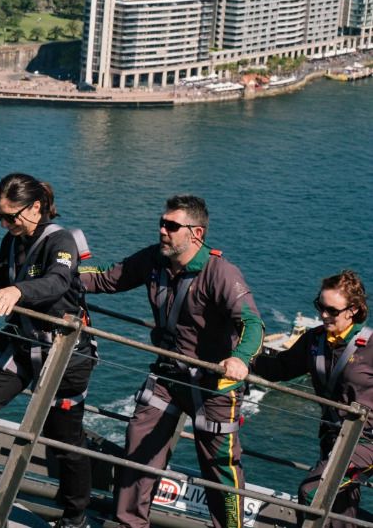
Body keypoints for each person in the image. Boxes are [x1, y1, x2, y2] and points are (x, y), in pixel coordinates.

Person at [81, 195, 263, 528]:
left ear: (197, 234)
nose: (162, 230)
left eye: (171, 226)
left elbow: (252, 322)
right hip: (168, 376)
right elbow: (107, 278)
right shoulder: (154, 259)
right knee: (138, 445)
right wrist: (53, 277)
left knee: (220, 468)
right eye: (162, 223)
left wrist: (240, 359)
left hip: (215, 385)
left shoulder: (220, 272)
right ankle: (130, 524)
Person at [0, 174, 96, 527]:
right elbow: (16, 271)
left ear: (37, 207)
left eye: (12, 216)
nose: (5, 222)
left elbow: (57, 281)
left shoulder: (61, 241)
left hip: (64, 352)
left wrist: (18, 291)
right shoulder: (11, 240)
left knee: (64, 441)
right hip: (21, 340)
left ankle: (75, 518)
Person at [254, 271, 373, 528]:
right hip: (333, 439)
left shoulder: (371, 347)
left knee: (312, 491)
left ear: (352, 310)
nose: (323, 315)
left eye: (332, 310)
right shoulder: (315, 340)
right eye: (320, 306)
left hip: (366, 444)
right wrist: (244, 358)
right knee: (340, 511)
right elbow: (281, 369)